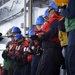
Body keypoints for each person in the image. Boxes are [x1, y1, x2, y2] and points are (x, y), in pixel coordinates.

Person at [31, 2, 64, 75]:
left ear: (54, 10)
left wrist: (40, 37)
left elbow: (52, 33)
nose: (48, 11)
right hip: (48, 50)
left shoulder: (56, 21)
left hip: (52, 51)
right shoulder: (52, 22)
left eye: (49, 9)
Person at [61, 0, 75, 75]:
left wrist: (63, 10)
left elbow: (71, 13)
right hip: (71, 29)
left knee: (71, 59)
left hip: (73, 29)